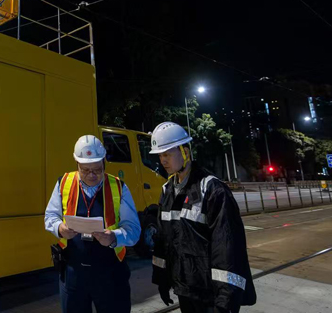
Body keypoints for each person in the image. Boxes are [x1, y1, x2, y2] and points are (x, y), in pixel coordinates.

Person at [149, 122, 256, 313]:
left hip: (210, 295)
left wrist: (225, 301)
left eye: (167, 154)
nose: (162, 160)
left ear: (185, 152)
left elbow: (227, 249)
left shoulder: (212, 190)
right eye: (160, 155)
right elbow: (163, 242)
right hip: (184, 290)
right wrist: (162, 280)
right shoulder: (167, 190)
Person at [44, 135, 141, 313]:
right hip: (73, 274)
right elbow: (50, 216)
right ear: (77, 164)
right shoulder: (63, 183)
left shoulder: (119, 187)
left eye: (97, 169)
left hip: (110, 274)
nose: (91, 175)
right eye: (85, 170)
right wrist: (59, 228)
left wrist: (114, 237)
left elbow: (134, 230)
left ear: (104, 162)